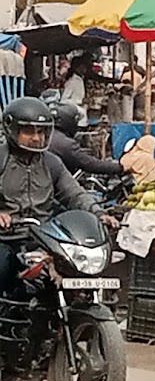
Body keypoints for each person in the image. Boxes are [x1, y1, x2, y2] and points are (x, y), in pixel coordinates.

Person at [0, 98, 113, 295]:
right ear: (12, 130)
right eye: (29, 131)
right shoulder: (1, 159)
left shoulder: (52, 163)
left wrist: (98, 213)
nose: (36, 138)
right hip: (6, 238)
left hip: (44, 238)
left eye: (41, 131)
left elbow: (75, 193)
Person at [47, 101, 123, 176]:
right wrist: (119, 167)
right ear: (68, 120)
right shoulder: (65, 144)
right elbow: (89, 164)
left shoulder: (47, 135)